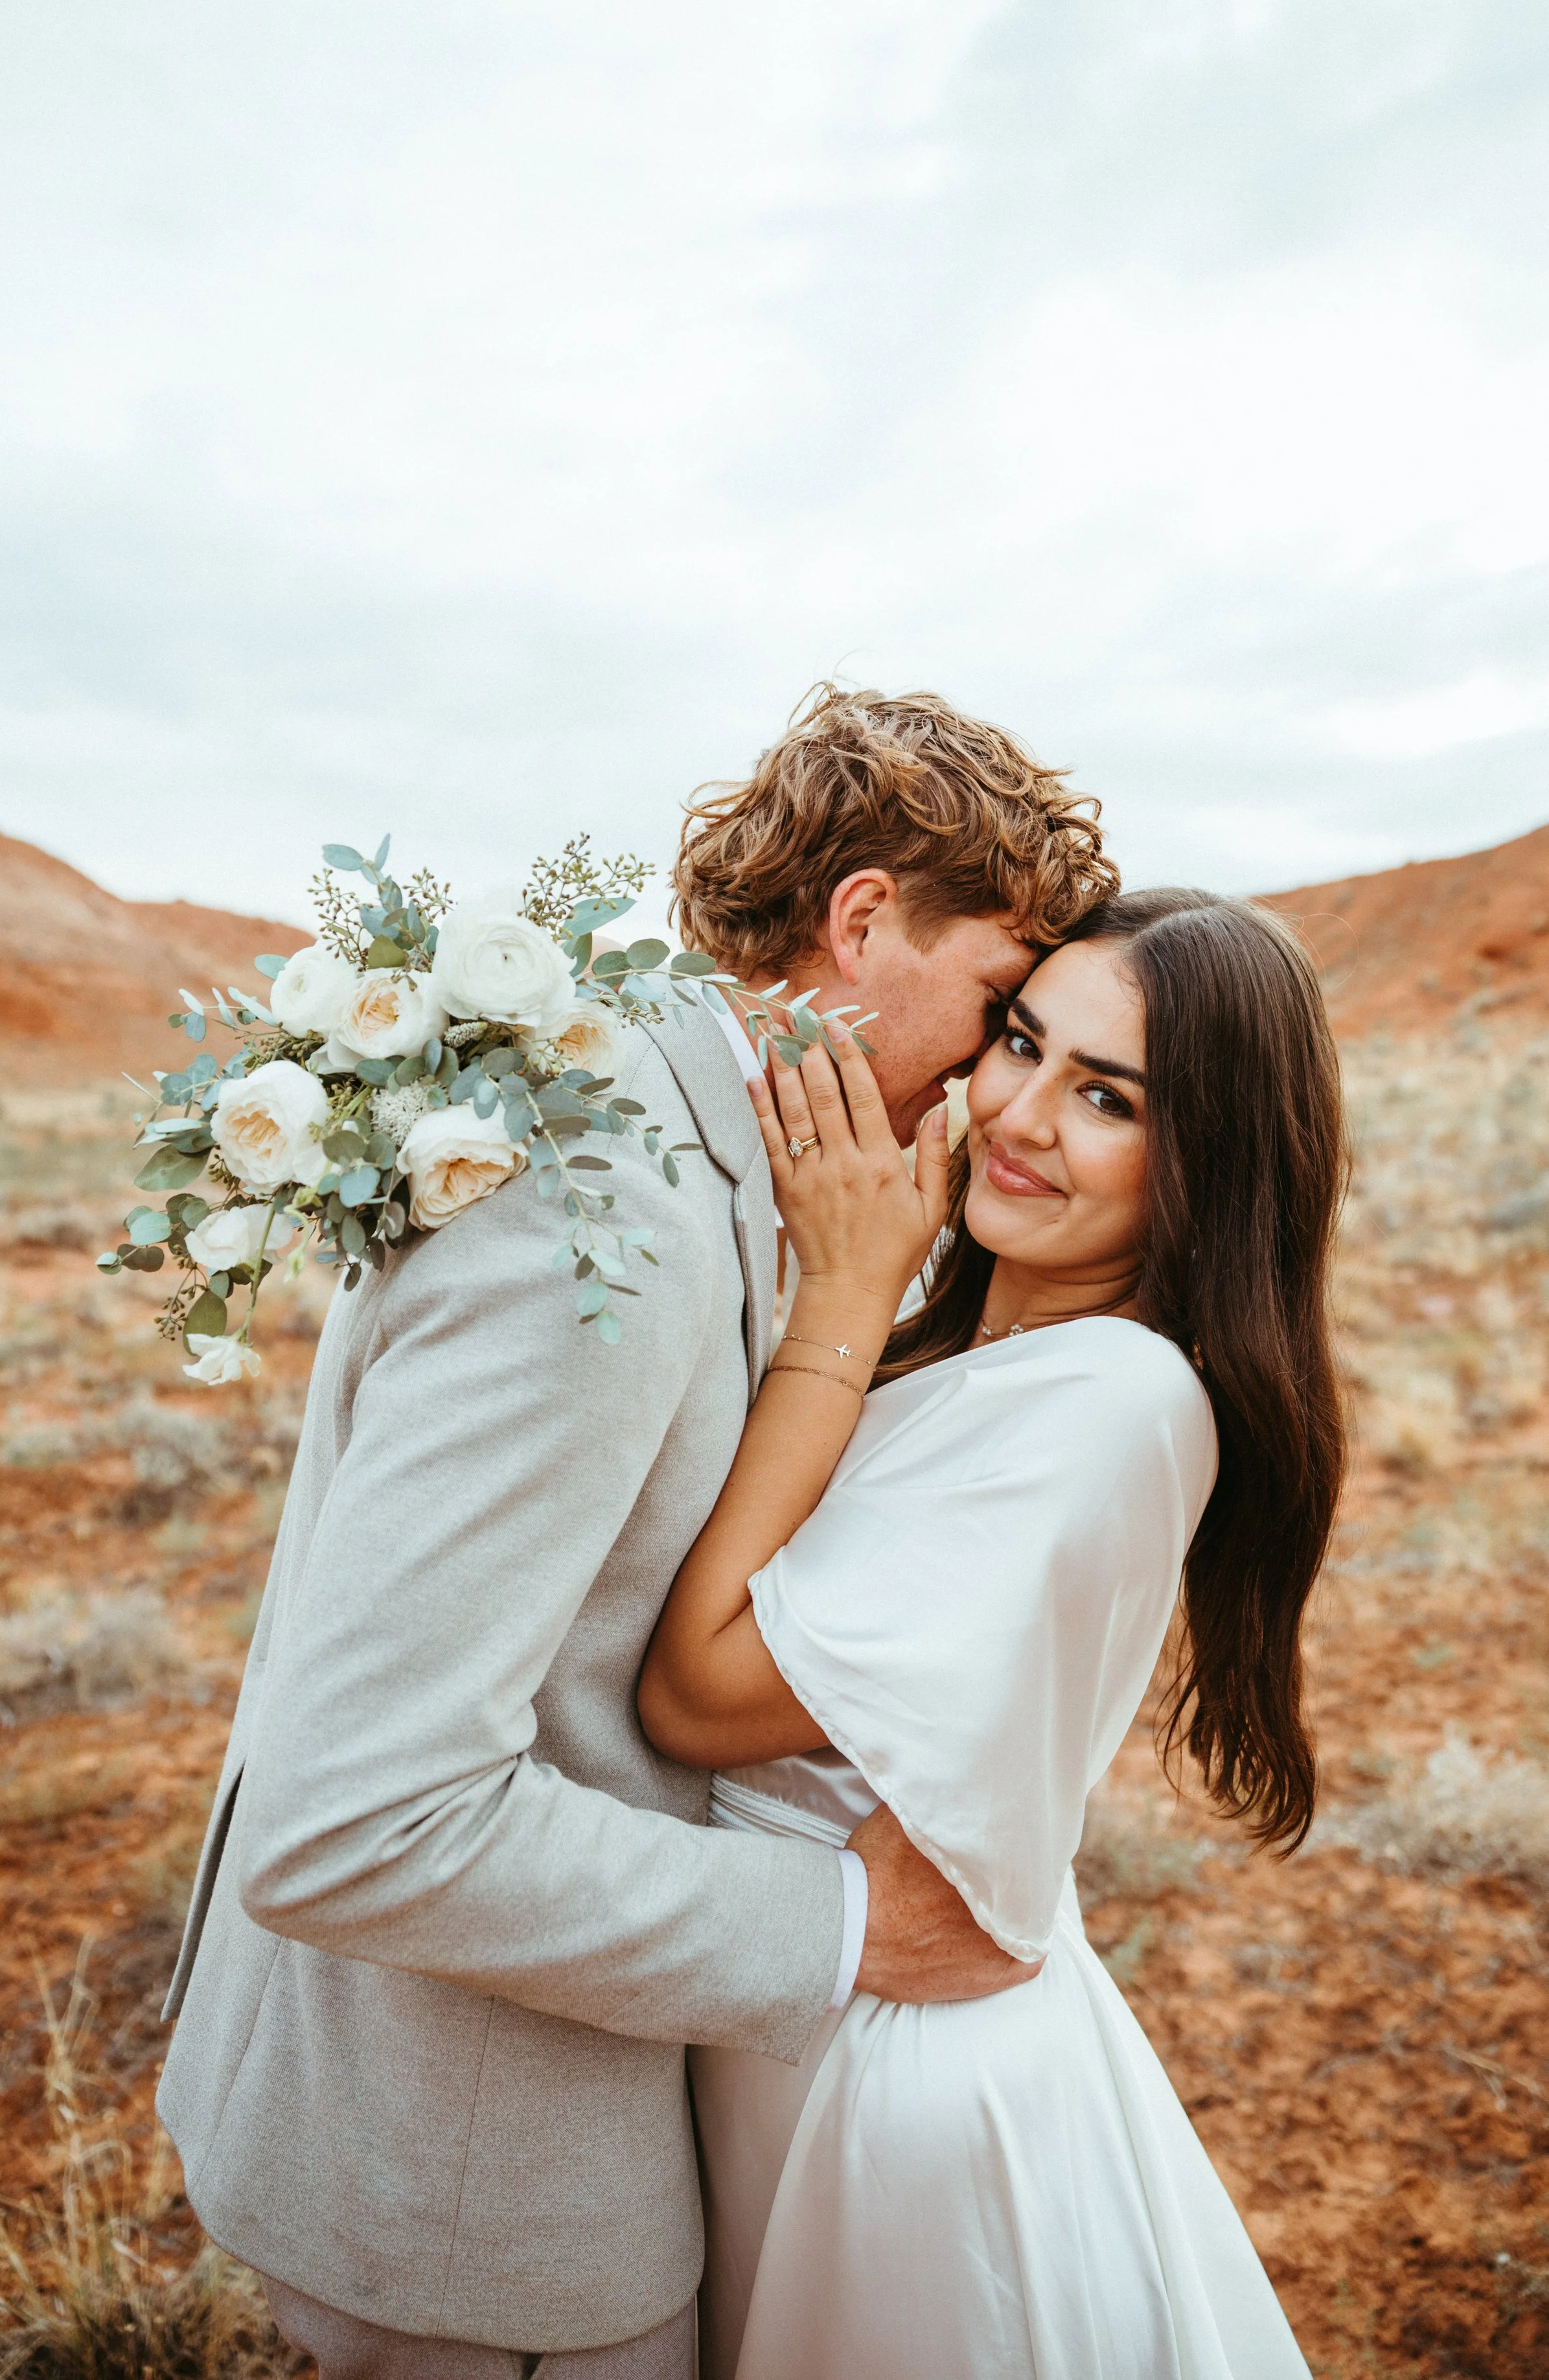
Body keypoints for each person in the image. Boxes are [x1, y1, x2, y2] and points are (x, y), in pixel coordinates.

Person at [155, 685, 1116, 2378]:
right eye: (995, 998)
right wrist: (836, 1924)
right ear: (866, 918)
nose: (990, 1068)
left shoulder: (658, 1130)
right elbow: (359, 1811)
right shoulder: (612, 1215)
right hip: (477, 2193)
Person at [639, 887, 1347, 2379]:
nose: (1017, 1116)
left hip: (896, 2099)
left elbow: (699, 1697)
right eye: (1018, 1043)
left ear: (1207, 1161)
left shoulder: (1109, 1400)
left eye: (1105, 1099)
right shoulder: (985, 1336)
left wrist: (837, 1293)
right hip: (801, 2019)